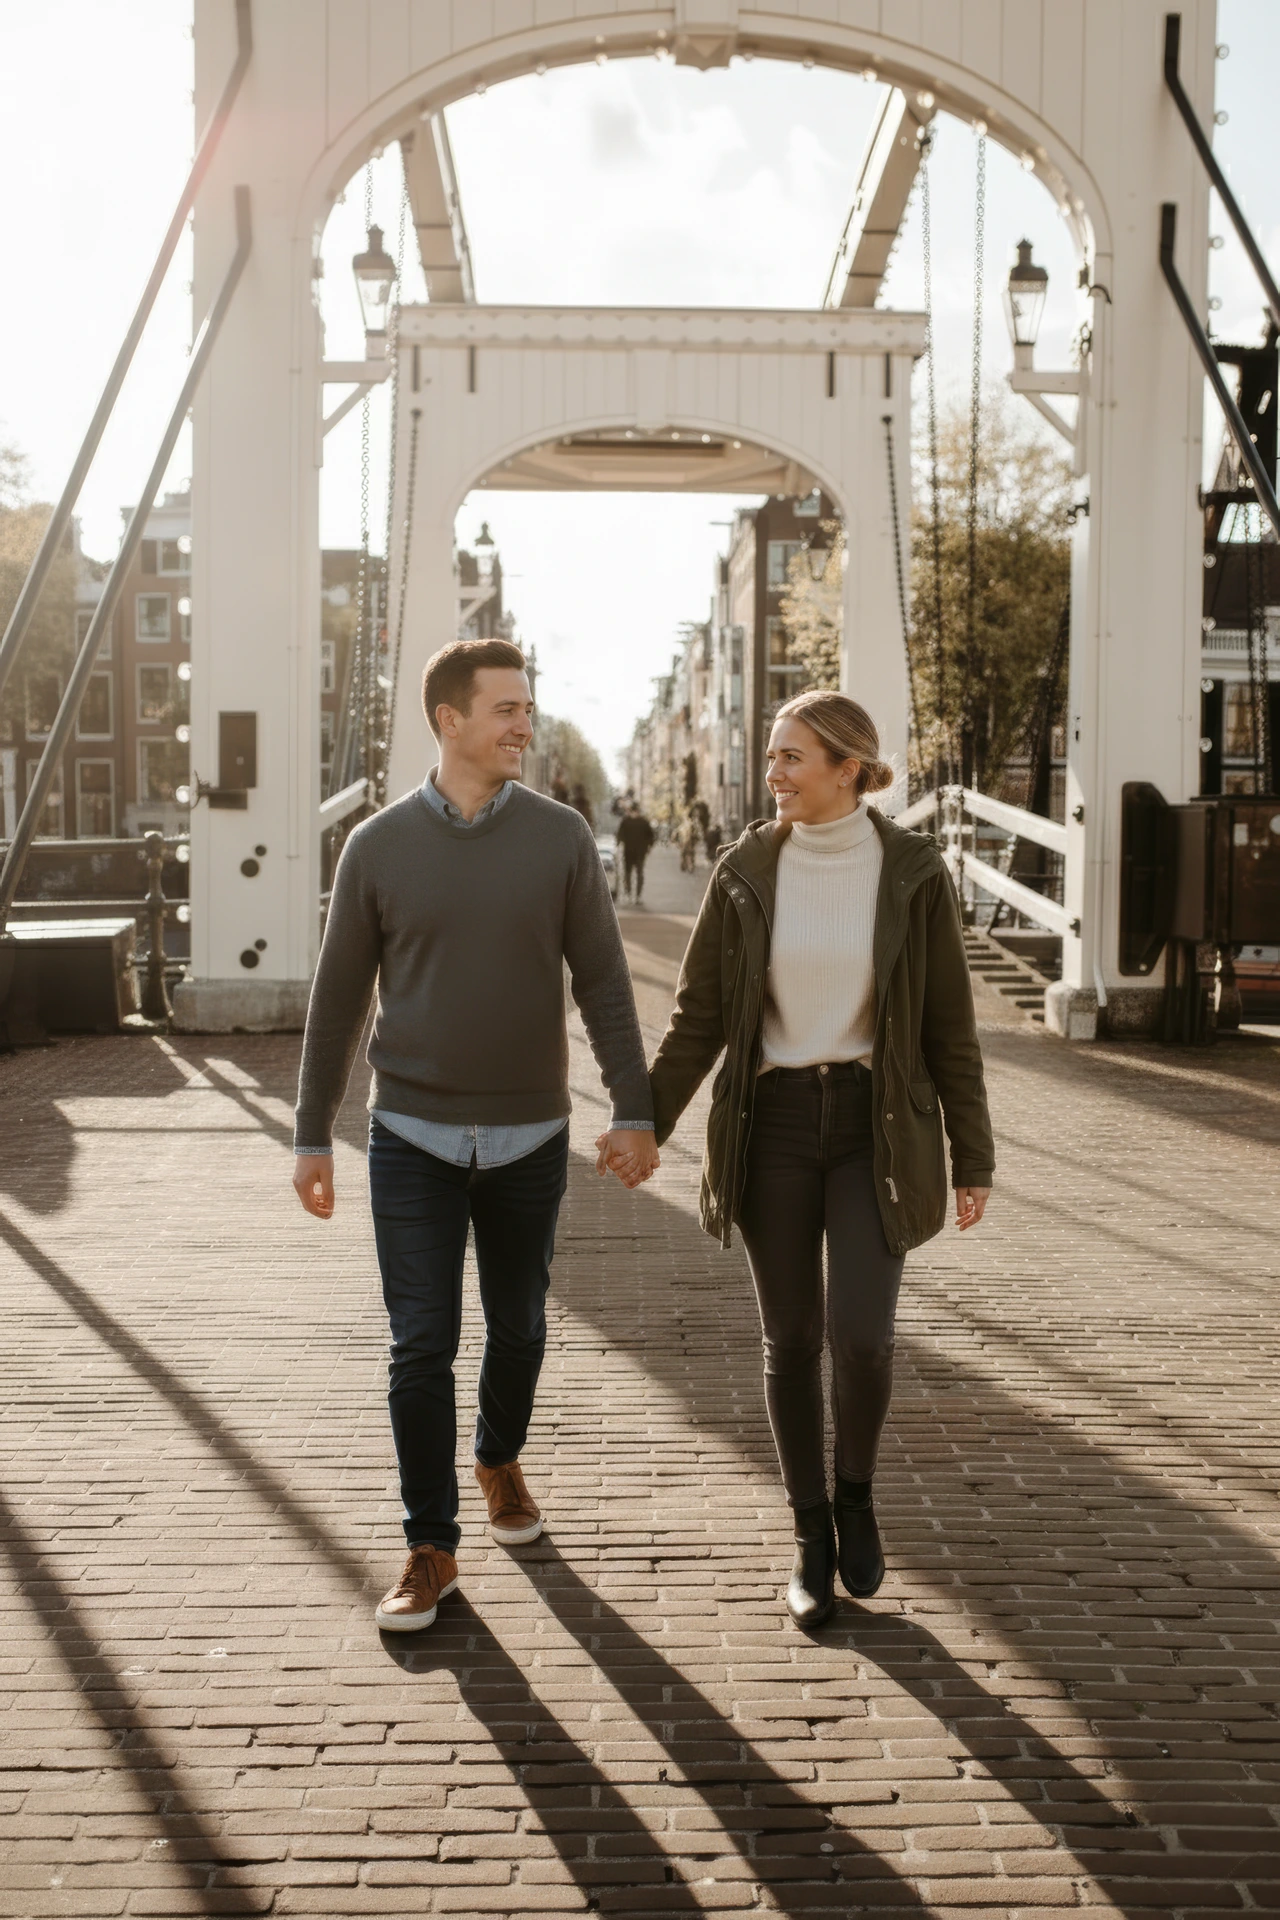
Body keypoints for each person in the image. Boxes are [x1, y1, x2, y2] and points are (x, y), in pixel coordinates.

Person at [600, 690, 993, 1629]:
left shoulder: (911, 870)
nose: (772, 773)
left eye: (789, 758)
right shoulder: (744, 870)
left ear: (848, 769)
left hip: (873, 1129)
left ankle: (855, 1493)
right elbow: (697, 1017)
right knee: (791, 1342)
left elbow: (950, 1026)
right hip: (771, 1126)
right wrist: (643, 1123)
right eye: (772, 755)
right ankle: (811, 1535)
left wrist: (972, 1155)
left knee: (862, 1338)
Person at [292, 638, 659, 1633]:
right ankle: (429, 1547)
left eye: (526, 707)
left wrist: (633, 1106)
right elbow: (336, 999)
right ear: (447, 720)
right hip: (409, 1133)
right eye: (503, 708)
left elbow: (603, 982)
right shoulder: (374, 846)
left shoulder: (562, 839)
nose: (522, 725)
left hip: (528, 1138)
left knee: (521, 1326)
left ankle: (498, 1455)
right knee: (421, 1344)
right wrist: (311, 1130)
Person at [616, 801, 655, 903]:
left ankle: (633, 895)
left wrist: (619, 843)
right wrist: (649, 846)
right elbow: (651, 836)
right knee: (634, 874)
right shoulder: (641, 821)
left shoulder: (629, 821)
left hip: (634, 852)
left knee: (633, 874)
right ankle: (633, 895)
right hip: (635, 852)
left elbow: (620, 834)